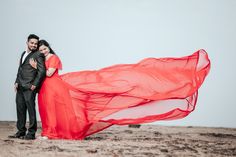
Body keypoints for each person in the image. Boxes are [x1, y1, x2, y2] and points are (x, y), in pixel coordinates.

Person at [30, 39, 211, 140]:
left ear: (49, 48)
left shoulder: (51, 58)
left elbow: (50, 72)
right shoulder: (41, 59)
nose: (43, 50)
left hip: (54, 86)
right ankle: (51, 132)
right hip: (47, 88)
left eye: (45, 48)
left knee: (57, 109)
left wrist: (37, 66)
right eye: (41, 48)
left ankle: (51, 133)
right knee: (49, 110)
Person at [9, 34, 46, 140]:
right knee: (20, 109)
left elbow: (42, 71)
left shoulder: (38, 54)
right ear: (27, 42)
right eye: (32, 43)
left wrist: (35, 84)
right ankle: (21, 131)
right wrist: (16, 82)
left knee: (31, 110)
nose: (34, 45)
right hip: (20, 86)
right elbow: (20, 69)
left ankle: (31, 133)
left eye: (36, 43)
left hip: (30, 87)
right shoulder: (23, 53)